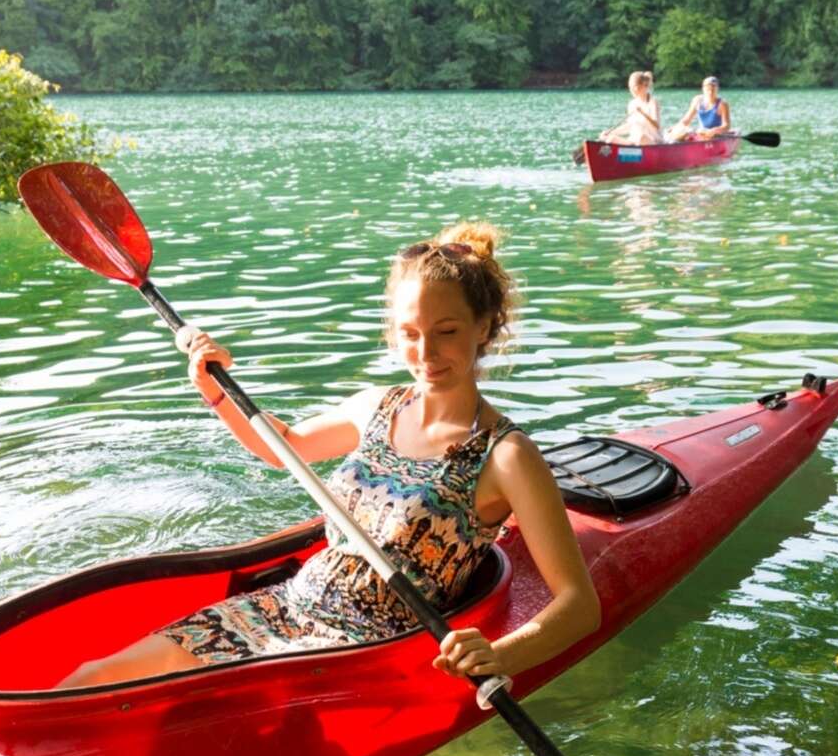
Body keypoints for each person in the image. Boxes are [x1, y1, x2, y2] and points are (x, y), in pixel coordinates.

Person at [59, 223, 600, 688]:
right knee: (92, 676)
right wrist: (216, 390)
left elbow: (579, 606)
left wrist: (498, 655)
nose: (426, 353)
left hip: (358, 655)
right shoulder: (377, 406)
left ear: (484, 328)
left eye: (447, 332)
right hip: (284, 606)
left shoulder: (506, 456)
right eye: (410, 334)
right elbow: (285, 449)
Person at [599, 70, 663, 146]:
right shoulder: (632, 104)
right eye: (630, 88)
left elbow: (657, 125)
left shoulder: (653, 102)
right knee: (610, 139)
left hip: (653, 140)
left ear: (644, 86)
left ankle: (632, 148)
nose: (632, 91)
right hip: (634, 140)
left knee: (641, 137)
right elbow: (629, 126)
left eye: (635, 88)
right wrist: (611, 132)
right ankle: (629, 148)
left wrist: (643, 113)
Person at [668, 75, 730, 141]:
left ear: (717, 89)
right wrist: (675, 127)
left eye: (713, 88)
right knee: (680, 132)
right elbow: (687, 120)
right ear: (703, 89)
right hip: (702, 132)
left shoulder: (722, 104)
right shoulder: (697, 100)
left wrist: (713, 131)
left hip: (716, 135)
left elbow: (726, 126)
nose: (710, 92)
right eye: (708, 88)